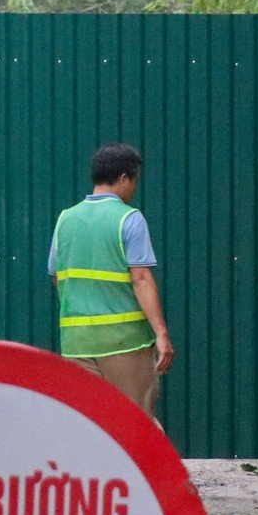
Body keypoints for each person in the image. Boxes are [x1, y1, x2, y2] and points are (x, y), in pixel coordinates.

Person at [47, 143, 174, 415]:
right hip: (125, 343)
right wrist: (161, 334)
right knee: (135, 425)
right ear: (124, 179)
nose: (135, 189)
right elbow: (140, 279)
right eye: (134, 181)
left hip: (77, 343)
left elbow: (58, 278)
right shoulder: (129, 219)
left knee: (91, 426)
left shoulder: (65, 220)